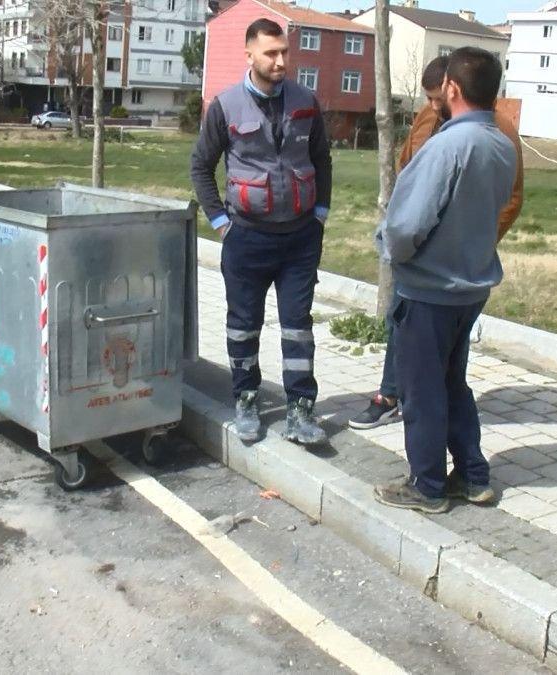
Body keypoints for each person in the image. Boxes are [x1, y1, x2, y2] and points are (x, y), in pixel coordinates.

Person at [372, 48, 518, 514]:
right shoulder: (500, 143)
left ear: (451, 88)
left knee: (421, 390)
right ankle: (473, 478)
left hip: (429, 289)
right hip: (470, 286)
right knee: (453, 384)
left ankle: (428, 486)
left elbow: (405, 226)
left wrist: (393, 254)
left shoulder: (447, 146)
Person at [349, 55, 524, 433]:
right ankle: (395, 399)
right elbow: (408, 171)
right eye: (426, 98)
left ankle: (427, 481)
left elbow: (510, 199)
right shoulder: (433, 122)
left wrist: (469, 245)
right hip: (421, 267)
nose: (431, 105)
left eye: (436, 95)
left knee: (433, 385)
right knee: (426, 362)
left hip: (450, 274)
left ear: (452, 88)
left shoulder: (497, 135)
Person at [190, 18, 332, 446]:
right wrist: (221, 223)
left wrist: (320, 214)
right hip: (247, 237)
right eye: (271, 53)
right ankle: (247, 399)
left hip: (300, 238)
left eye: (284, 52)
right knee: (243, 325)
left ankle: (301, 410)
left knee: (297, 326)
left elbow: (322, 159)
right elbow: (201, 166)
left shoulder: (305, 101)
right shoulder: (226, 105)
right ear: (249, 54)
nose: (280, 61)